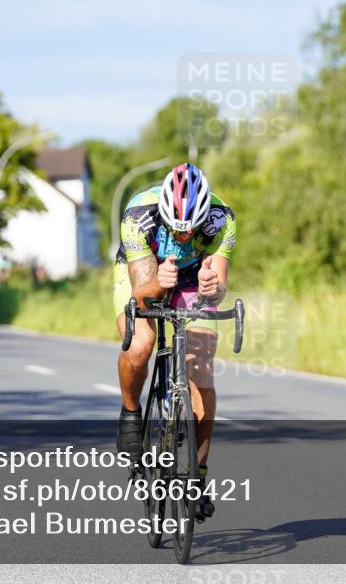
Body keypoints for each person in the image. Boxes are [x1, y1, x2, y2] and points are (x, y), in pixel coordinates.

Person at [113, 162, 236, 521]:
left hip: (190, 279)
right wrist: (158, 283)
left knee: (203, 363)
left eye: (190, 230)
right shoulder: (139, 215)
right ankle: (131, 412)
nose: (183, 236)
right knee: (140, 344)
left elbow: (217, 289)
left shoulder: (221, 218)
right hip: (147, 270)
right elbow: (141, 298)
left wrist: (214, 288)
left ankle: (198, 475)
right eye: (176, 228)